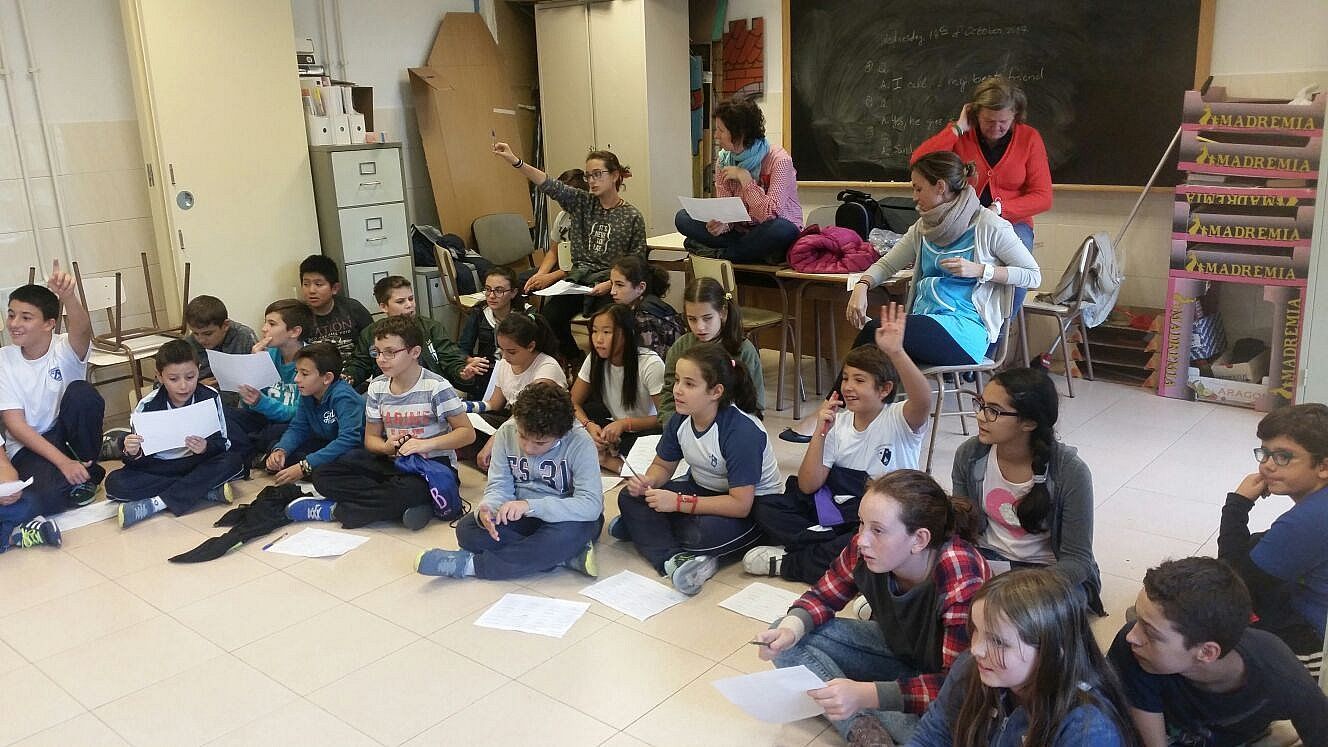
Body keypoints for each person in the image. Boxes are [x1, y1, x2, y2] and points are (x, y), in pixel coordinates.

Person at [755, 470, 988, 744]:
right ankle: (861, 726)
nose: (862, 539)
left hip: (947, 682)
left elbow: (958, 687)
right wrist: (791, 628)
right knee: (785, 635)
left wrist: (867, 694)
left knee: (939, 735)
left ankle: (858, 704)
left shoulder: (960, 572)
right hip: (900, 652)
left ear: (919, 540)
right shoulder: (864, 548)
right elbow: (824, 596)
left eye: (877, 530)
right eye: (861, 523)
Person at [745, 304, 931, 584]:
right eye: (845, 378)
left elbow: (924, 399)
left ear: (884, 389)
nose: (848, 387)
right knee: (765, 507)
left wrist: (896, 352)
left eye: (859, 380)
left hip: (871, 518)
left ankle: (793, 561)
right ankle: (834, 553)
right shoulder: (839, 422)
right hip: (834, 511)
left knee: (867, 539)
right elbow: (809, 485)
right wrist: (820, 432)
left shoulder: (899, 418)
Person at [613, 342, 782, 595]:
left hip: (753, 507)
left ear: (716, 392)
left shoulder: (741, 432)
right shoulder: (681, 418)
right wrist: (649, 481)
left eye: (689, 384)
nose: (677, 390)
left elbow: (740, 505)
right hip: (703, 489)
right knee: (629, 496)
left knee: (700, 534)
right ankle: (673, 559)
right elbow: (662, 465)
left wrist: (677, 503)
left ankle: (647, 531)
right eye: (677, 381)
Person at [845, 151, 1041, 367]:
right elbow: (887, 264)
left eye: (918, 189)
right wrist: (862, 285)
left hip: (965, 331)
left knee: (877, 333)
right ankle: (851, 390)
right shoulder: (923, 227)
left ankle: (842, 391)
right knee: (874, 357)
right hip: (925, 320)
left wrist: (981, 270)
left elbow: (1033, 276)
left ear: (940, 187)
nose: (914, 197)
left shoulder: (989, 225)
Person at [1108, 557, 1328, 747]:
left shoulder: (1282, 678)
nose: (1132, 636)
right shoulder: (1134, 651)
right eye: (1139, 620)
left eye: (1149, 631)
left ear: (1207, 652)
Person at [909, 568, 1134, 747]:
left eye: (998, 642)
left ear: (1051, 652)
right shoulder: (972, 667)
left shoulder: (1087, 731)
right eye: (976, 630)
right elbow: (932, 736)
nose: (976, 649)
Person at [290, 316, 475, 530]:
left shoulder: (437, 386)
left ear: (415, 352)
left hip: (431, 466)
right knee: (323, 474)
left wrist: (424, 444)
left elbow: (467, 433)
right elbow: (371, 439)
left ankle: (336, 511)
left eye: (390, 352)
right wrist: (386, 447)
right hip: (393, 461)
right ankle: (403, 506)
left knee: (409, 491)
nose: (381, 359)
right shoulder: (377, 387)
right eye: (377, 352)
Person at [950, 366, 1104, 614]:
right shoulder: (969, 455)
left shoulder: (1070, 472)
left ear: (1029, 423)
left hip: (1046, 573)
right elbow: (963, 530)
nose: (980, 416)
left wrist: (1019, 587)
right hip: (989, 558)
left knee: (1030, 615)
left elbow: (1078, 561)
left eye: (993, 411)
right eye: (981, 404)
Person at [415, 382, 603, 580]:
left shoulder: (580, 441)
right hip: (519, 514)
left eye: (540, 443)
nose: (528, 448)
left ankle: (471, 566)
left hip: (565, 517)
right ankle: (564, 555)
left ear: (562, 434)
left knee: (571, 533)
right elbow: (499, 485)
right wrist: (488, 509)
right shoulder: (506, 432)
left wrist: (530, 506)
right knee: (468, 530)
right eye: (522, 436)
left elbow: (591, 504)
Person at [493, 142, 647, 364]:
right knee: (548, 318)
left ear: (615, 176)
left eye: (597, 174)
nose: (591, 181)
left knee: (604, 325)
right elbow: (549, 184)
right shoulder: (582, 203)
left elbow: (637, 262)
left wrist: (611, 284)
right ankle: (576, 359)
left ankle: (602, 366)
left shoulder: (632, 216)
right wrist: (515, 161)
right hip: (579, 280)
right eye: (588, 176)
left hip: (609, 283)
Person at [1218, 403, 1328, 676]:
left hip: (1313, 643)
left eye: (1283, 457)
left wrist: (1237, 506)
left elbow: (1232, 585)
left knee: (1192, 628)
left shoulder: (1308, 520)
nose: (1267, 465)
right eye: (1264, 453)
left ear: (1323, 466)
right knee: (1258, 542)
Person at [0, 262, 106, 514]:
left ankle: (84, 466)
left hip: (67, 436)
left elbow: (82, 329)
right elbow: (16, 426)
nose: (14, 323)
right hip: (29, 445)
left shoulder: (64, 348)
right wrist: (62, 463)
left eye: (26, 317)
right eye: (11, 314)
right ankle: (79, 475)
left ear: (49, 323)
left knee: (82, 393)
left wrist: (68, 296)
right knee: (45, 499)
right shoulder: (4, 359)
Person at [107, 340, 244, 528]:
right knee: (115, 483)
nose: (183, 386)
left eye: (190, 377)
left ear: (198, 370)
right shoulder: (147, 406)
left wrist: (206, 447)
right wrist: (133, 452)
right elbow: (138, 461)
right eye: (173, 379)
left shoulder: (210, 396)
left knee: (233, 462)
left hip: (197, 462)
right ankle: (204, 490)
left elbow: (223, 443)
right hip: (161, 467)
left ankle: (156, 503)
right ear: (159, 376)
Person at [913, 75, 1052, 253]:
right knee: (948, 261)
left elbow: (1043, 197)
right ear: (976, 114)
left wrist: (999, 208)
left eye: (1003, 122)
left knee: (1016, 263)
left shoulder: (1029, 138)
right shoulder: (961, 134)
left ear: (1015, 115)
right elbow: (918, 162)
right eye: (989, 121)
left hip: (1013, 224)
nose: (996, 127)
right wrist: (958, 128)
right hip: (960, 221)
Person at [674, 98, 803, 263]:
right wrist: (721, 225)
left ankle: (720, 254)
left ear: (739, 133)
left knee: (782, 229)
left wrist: (745, 179)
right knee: (683, 217)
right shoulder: (723, 160)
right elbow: (726, 211)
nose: (716, 135)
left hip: (769, 230)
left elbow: (769, 215)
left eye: (721, 130)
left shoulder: (779, 160)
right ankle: (747, 254)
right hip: (742, 233)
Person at [571, 304, 665, 473]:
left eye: (607, 332)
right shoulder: (594, 359)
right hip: (616, 427)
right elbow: (572, 402)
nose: (598, 339)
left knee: (652, 455)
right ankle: (606, 455)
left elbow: (665, 418)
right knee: (569, 424)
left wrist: (625, 424)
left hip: (646, 430)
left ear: (626, 334)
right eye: (594, 331)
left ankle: (606, 460)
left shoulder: (650, 364)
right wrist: (588, 425)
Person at [657, 277, 765, 425]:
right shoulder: (681, 346)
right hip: (686, 427)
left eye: (707, 318)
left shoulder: (744, 350)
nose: (700, 327)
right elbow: (668, 396)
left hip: (730, 427)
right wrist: (672, 427)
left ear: (722, 313)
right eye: (692, 319)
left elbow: (755, 405)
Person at [468, 313, 568, 470]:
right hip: (513, 421)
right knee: (463, 424)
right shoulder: (505, 364)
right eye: (501, 350)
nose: (505, 357)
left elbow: (530, 412)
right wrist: (464, 407)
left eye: (512, 351)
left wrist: (494, 441)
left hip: (539, 425)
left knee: (519, 441)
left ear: (531, 346)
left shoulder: (547, 368)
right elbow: (494, 403)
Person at [343, 275, 474, 393]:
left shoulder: (431, 327)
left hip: (431, 389)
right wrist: (350, 376)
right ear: (384, 307)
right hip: (389, 391)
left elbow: (450, 357)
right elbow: (360, 364)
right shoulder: (371, 333)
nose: (409, 305)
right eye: (400, 301)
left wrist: (461, 371)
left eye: (411, 299)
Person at [263, 342, 364, 486]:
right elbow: (298, 428)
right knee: (277, 446)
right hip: (325, 443)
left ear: (327, 378)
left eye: (304, 374)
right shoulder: (308, 392)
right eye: (297, 372)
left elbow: (349, 439)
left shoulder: (344, 397)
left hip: (351, 449)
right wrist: (281, 450)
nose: (296, 379)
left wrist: (305, 466)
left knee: (347, 462)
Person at [227, 299, 311, 462]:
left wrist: (261, 402)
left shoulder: (310, 361)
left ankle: (254, 450)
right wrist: (254, 364)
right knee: (226, 415)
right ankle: (255, 451)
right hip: (263, 419)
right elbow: (248, 407)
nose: (264, 329)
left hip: (290, 423)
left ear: (294, 332)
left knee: (278, 432)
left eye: (272, 324)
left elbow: (297, 413)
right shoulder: (268, 354)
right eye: (265, 322)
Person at [457, 266, 528, 400]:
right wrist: (469, 360)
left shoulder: (526, 316)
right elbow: (463, 348)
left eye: (499, 291)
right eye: (488, 289)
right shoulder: (480, 312)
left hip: (518, 371)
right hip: (487, 372)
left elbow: (535, 352)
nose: (491, 296)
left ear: (513, 292)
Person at [183, 294, 257, 408]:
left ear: (225, 325)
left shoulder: (244, 337)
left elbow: (259, 379)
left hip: (241, 404)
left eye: (208, 334)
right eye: (195, 333)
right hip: (202, 403)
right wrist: (195, 387)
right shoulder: (188, 344)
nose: (201, 340)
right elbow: (164, 386)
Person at [525, 168, 588, 294]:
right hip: (562, 267)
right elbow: (553, 251)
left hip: (580, 273)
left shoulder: (591, 219)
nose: (561, 202)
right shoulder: (562, 216)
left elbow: (584, 264)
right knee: (519, 281)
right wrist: (540, 274)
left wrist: (551, 277)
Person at [299, 254, 374, 359]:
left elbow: (373, 342)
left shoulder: (353, 308)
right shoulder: (298, 316)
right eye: (306, 284)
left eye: (318, 284)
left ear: (335, 288)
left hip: (356, 365)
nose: (311, 290)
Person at [609, 254, 683, 359]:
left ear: (641, 287)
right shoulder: (646, 304)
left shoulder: (645, 316)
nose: (612, 291)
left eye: (619, 285)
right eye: (612, 284)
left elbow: (648, 360)